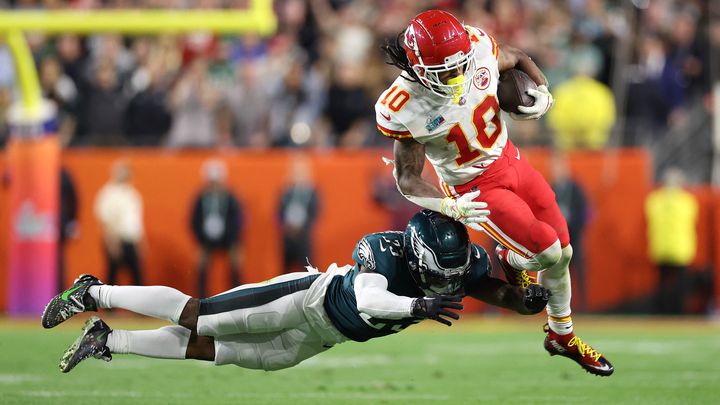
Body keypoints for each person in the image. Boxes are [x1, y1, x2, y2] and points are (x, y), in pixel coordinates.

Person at [377, 10, 612, 376]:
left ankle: (561, 335)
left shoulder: (477, 48)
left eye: (461, 66)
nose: (458, 76)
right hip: (473, 186)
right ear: (419, 68)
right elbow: (407, 179)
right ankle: (515, 258)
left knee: (563, 251)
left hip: (511, 160)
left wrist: (542, 89)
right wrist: (449, 206)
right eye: (446, 72)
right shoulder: (405, 105)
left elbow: (516, 56)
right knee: (548, 251)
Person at [42, 210, 552, 373]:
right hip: (307, 299)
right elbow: (369, 300)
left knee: (217, 352)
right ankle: (96, 292)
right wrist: (417, 304)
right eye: (437, 275)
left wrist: (529, 298)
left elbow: (500, 293)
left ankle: (107, 340)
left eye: (454, 272)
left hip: (321, 339)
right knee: (201, 316)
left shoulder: (461, 261)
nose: (449, 282)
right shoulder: (383, 250)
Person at [645, 167, 698, 314]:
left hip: (670, 247)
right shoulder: (686, 201)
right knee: (669, 285)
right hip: (674, 248)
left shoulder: (657, 200)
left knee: (670, 285)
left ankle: (671, 313)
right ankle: (671, 312)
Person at [190, 159, 244, 298]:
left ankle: (237, 299)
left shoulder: (230, 198)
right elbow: (193, 220)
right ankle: (201, 301)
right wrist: (200, 241)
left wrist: (235, 243)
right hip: (206, 239)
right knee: (202, 266)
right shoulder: (201, 198)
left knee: (235, 265)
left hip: (228, 239)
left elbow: (238, 220)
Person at [93, 160, 144, 286]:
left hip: (131, 240)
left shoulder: (131, 193)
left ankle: (138, 305)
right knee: (112, 277)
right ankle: (107, 305)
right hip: (116, 239)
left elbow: (135, 221)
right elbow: (106, 221)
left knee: (137, 277)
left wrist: (140, 242)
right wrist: (112, 242)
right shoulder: (108, 193)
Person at [278, 154, 319, 273]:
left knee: (306, 269)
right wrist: (286, 227)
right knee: (286, 271)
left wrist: (303, 228)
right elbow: (279, 212)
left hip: (304, 237)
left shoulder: (312, 192)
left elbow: (315, 213)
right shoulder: (286, 192)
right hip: (287, 237)